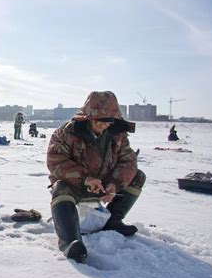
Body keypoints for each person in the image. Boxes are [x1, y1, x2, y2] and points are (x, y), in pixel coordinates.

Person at [47, 91, 145, 263]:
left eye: (109, 121)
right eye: (100, 120)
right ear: (88, 117)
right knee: (59, 187)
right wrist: (85, 178)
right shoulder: (66, 133)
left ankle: (113, 221)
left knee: (138, 176)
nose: (104, 125)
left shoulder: (119, 136)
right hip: (75, 186)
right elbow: (56, 162)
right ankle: (70, 241)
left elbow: (128, 162)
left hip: (104, 186)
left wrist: (114, 185)